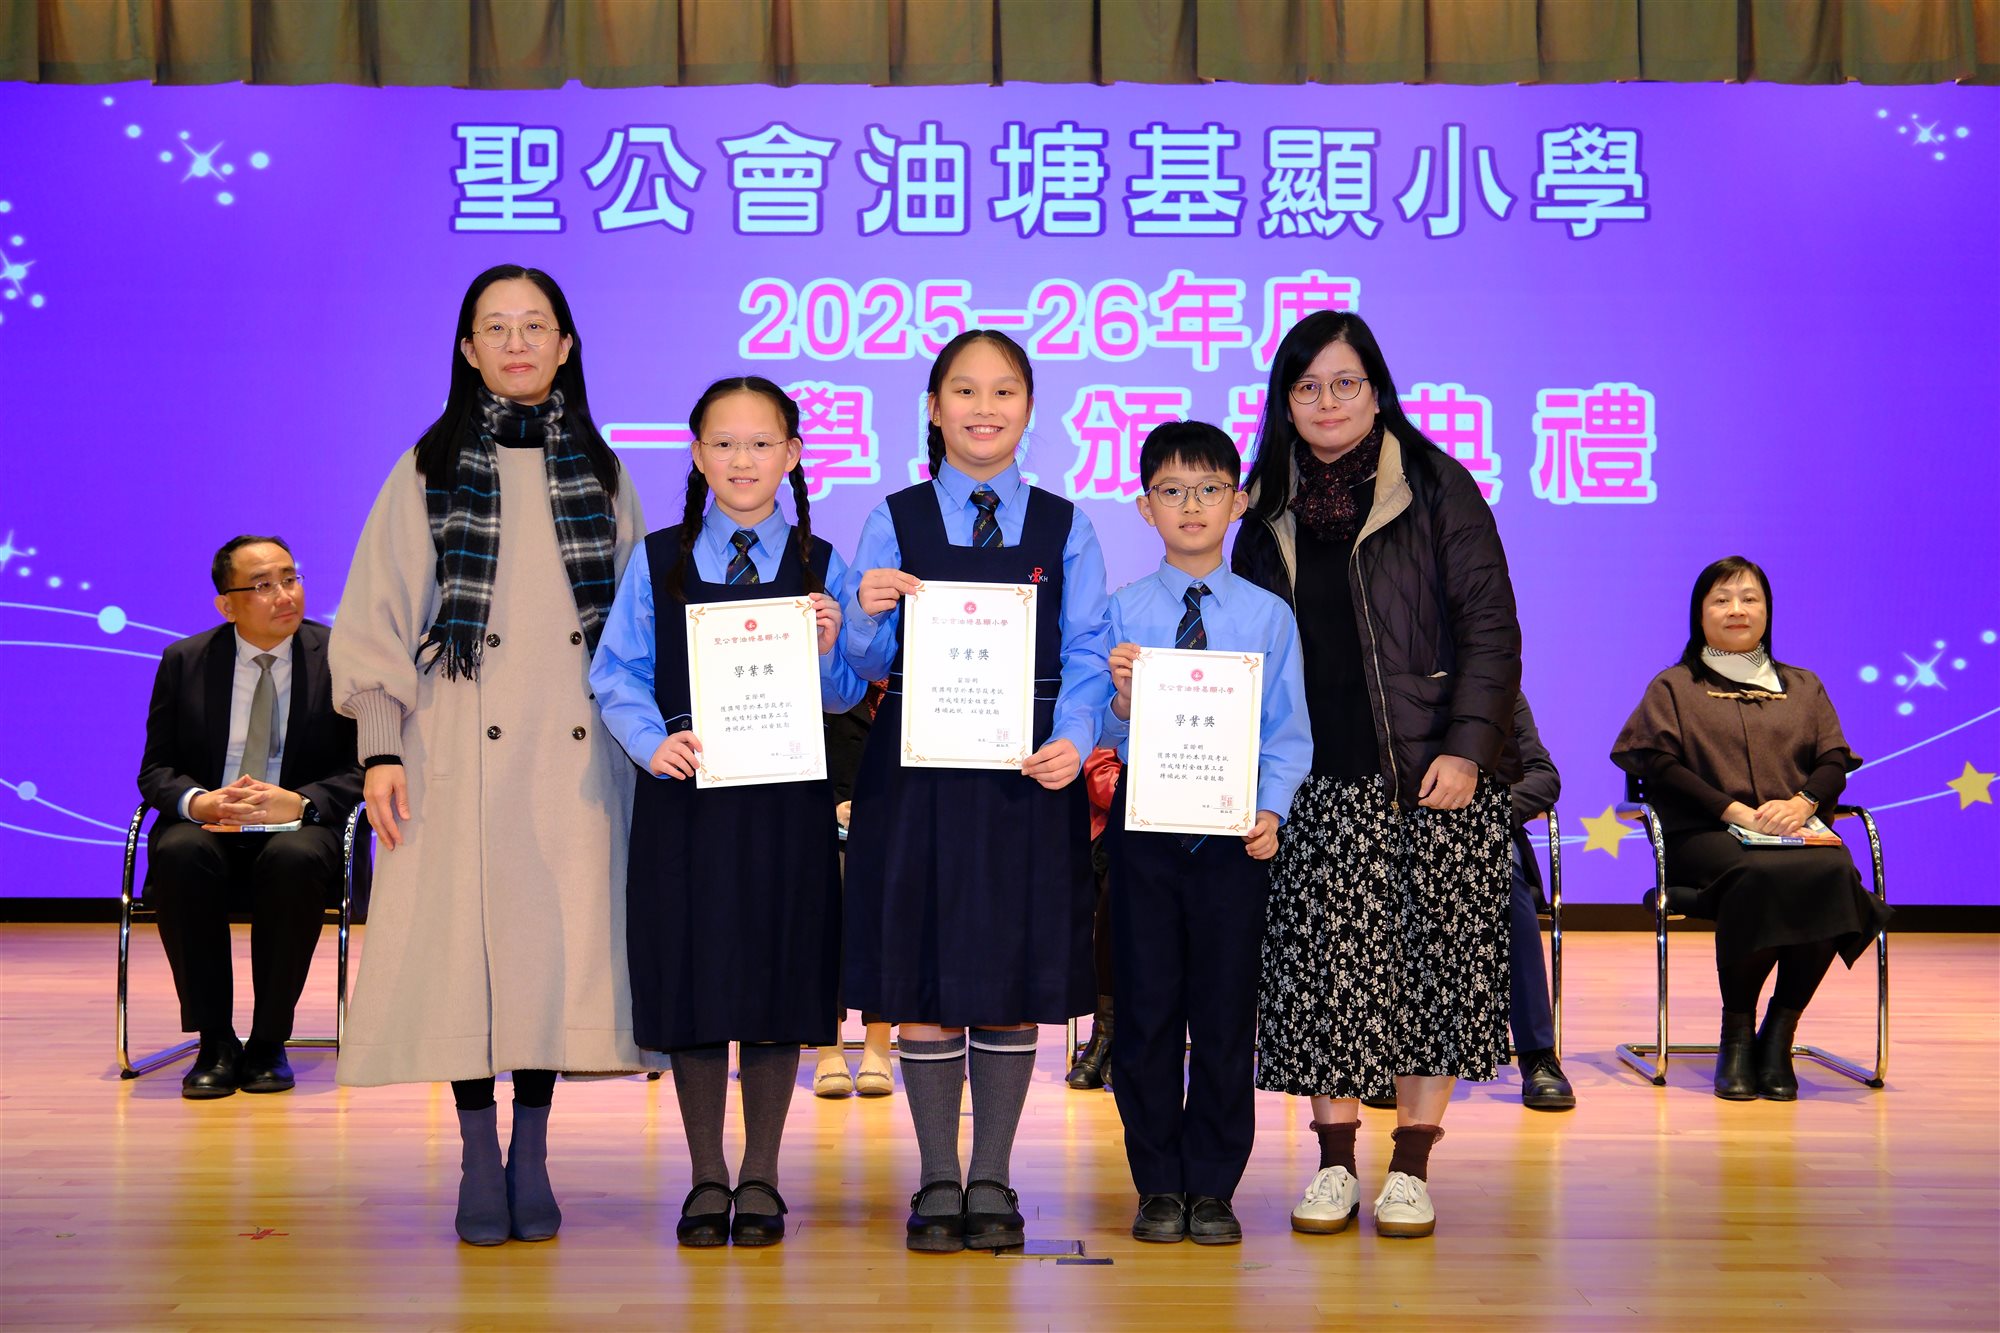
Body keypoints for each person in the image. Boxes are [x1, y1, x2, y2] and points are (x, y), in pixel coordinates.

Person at [331, 264, 655, 1246]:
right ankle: (479, 1150)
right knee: (464, 956)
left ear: (565, 345)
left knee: (552, 953)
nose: (517, 343)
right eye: (496, 327)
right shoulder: (426, 468)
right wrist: (380, 749)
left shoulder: (603, 472)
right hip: (454, 746)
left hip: (577, 753)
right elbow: (379, 614)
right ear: (468, 349)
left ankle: (534, 1149)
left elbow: (636, 624)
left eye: (535, 325)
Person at [1233, 310, 1522, 1240]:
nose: (1327, 401)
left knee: (1431, 970)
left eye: (1344, 382)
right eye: (1307, 386)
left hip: (1428, 774)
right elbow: (1243, 642)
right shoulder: (1263, 507)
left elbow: (1490, 625)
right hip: (1314, 777)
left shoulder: (1435, 484)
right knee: (1327, 975)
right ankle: (1333, 1163)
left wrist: (1467, 747)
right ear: (1285, 401)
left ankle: (1411, 1166)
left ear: (1376, 389)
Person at [840, 329, 1112, 1254]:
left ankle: (991, 1174)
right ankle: (934, 1175)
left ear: (1030, 408)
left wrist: (1075, 737)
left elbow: (1086, 650)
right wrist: (864, 615)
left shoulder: (1067, 525)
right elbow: (861, 667)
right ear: (933, 407)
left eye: (1004, 391)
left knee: (1008, 977)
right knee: (921, 976)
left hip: (1024, 777)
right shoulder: (894, 518)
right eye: (964, 390)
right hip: (915, 779)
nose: (984, 407)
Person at [591, 376, 866, 1248]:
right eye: (724, 443)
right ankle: (708, 1173)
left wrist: (831, 645)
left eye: (761, 443)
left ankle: (763, 1173)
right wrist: (651, 742)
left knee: (779, 982)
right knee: (696, 982)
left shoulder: (824, 564)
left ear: (792, 454)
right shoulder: (657, 559)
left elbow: (846, 691)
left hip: (787, 806)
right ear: (698, 454)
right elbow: (616, 672)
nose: (743, 460)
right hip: (688, 804)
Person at [1100, 421, 1311, 1245]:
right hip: (1146, 836)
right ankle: (1158, 1181)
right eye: (1172, 491)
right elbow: (1094, 723)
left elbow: (1287, 732)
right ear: (1144, 506)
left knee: (1224, 1016)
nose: (1191, 505)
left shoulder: (1267, 616)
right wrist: (1122, 701)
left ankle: (1214, 1184)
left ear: (1239, 500)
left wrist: (1271, 810)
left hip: (1233, 841)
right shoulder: (1120, 612)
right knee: (1146, 1011)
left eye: (1209, 489)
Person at [1612, 556, 1891, 1101]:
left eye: (1749, 598)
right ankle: (1737, 1033)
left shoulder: (1803, 685)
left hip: (1793, 828)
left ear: (1767, 611)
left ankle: (1779, 1033)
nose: (1736, 609)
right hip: (1705, 836)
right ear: (1700, 614)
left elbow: (1834, 759)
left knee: (1833, 871)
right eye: (1721, 599)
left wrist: (1805, 802)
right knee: (1759, 874)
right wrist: (1732, 811)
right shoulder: (1674, 686)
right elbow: (1656, 764)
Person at [136, 535, 362, 1099]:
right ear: (227, 605)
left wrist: (302, 802)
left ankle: (268, 1041)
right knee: (179, 850)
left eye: (291, 578)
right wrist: (199, 802)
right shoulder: (185, 661)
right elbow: (156, 769)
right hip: (209, 826)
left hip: (299, 828)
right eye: (263, 585)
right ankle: (215, 1041)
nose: (285, 595)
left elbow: (365, 765)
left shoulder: (341, 657)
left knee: (294, 857)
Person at [813, 681, 898, 1101]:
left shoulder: (910, 672)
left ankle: (878, 1044)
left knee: (891, 904)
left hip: (901, 820)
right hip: (824, 818)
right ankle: (828, 1045)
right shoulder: (827, 668)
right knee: (826, 899)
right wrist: (828, 806)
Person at [1507, 693, 1574, 1111]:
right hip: (1396, 828)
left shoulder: (1497, 688)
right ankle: (1392, 1057)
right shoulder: (1376, 682)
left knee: (1502, 880)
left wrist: (1486, 811)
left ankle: (1537, 1054)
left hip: (1484, 829)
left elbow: (1543, 776)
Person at [1063, 745, 1124, 1091]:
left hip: (1205, 817)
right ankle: (1106, 1031)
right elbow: (1100, 762)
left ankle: (1132, 1036)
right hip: (1122, 814)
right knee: (1117, 888)